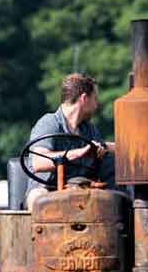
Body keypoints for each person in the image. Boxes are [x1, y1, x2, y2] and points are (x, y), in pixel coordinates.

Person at [25, 73, 114, 207]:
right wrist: (79, 153)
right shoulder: (49, 123)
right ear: (84, 98)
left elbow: (104, 147)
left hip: (81, 192)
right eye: (95, 99)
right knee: (38, 198)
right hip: (48, 190)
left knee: (112, 199)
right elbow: (39, 163)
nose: (96, 105)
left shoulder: (89, 130)